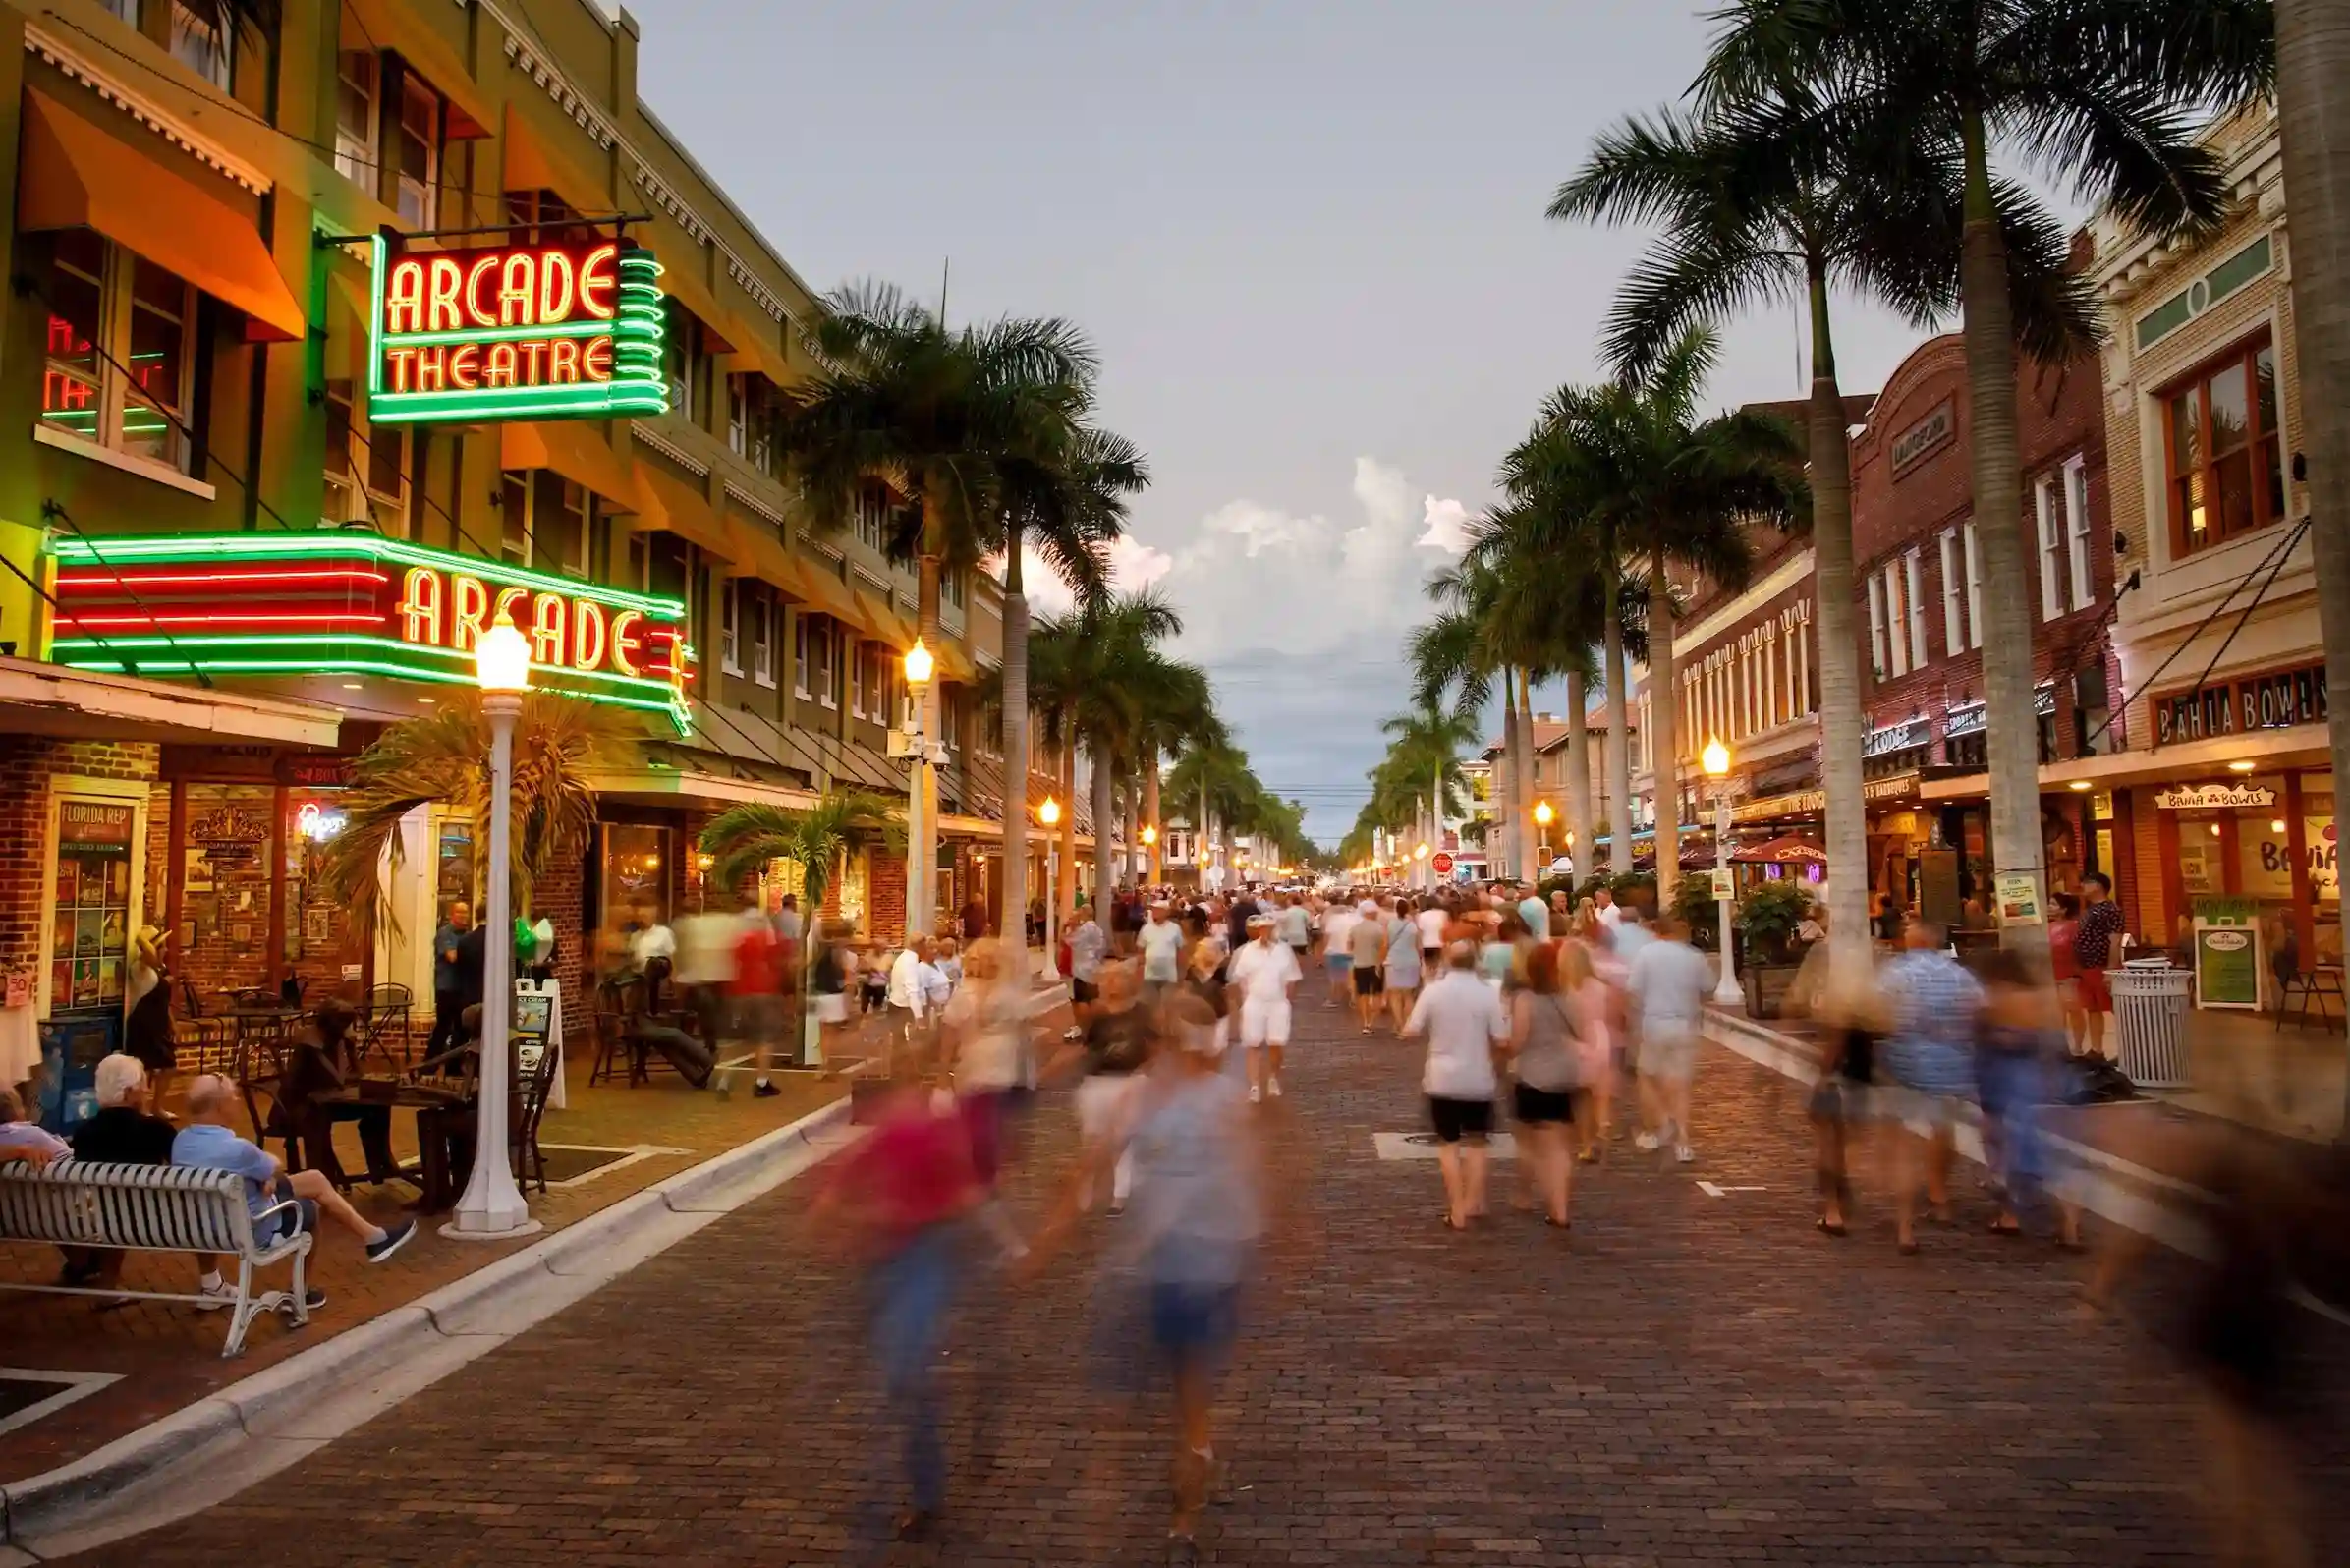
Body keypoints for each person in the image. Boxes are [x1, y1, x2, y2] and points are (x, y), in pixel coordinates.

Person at [1024, 991, 1261, 1567]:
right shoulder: (1163, 1096)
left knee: (1172, 1402)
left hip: (1197, 1270)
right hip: (1167, 1267)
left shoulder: (1210, 1099)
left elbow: (1249, 1178)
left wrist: (1046, 1243)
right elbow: (1092, 1167)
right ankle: (1176, 1494)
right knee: (1159, 1403)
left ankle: (1180, 1522)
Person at [808, 1064, 980, 1541]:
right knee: (895, 1373)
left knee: (906, 1376)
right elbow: (845, 1179)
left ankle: (924, 1493)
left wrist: (898, 1214)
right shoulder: (892, 1133)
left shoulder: (930, 1134)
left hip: (921, 1258)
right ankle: (915, 1483)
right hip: (886, 1259)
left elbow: (964, 1199)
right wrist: (837, 1213)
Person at [172, 1074, 415, 1277]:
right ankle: (303, 1293)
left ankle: (373, 1236)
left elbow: (264, 1171)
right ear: (220, 1106)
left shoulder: (180, 1142)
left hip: (204, 1229)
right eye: (233, 1096)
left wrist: (267, 1176)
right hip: (251, 1230)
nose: (238, 1101)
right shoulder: (239, 1150)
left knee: (315, 1179)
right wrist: (268, 1174)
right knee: (309, 1208)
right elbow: (273, 1165)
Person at [63, 1054, 224, 1296]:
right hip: (159, 1223)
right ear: (129, 1093)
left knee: (113, 1208)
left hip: (106, 1221)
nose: (147, 1091)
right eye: (143, 1086)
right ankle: (212, 1284)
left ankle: (108, 1286)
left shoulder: (83, 1134)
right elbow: (188, 1170)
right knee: (204, 1202)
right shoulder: (155, 1129)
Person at [1878, 917, 1982, 1254]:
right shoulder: (1958, 974)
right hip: (1951, 1063)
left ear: (1918, 940)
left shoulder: (1897, 972)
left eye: (1908, 932)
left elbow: (1877, 1011)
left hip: (1906, 1060)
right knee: (1943, 1128)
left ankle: (1905, 1224)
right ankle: (1939, 1193)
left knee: (1902, 1136)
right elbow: (1979, 1009)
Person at [1974, 949, 2083, 1248]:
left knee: (2005, 1151)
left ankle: (2010, 1214)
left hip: (2009, 1084)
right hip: (2049, 1083)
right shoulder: (2045, 999)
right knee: (2058, 1159)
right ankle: (2070, 1227)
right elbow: (2056, 1044)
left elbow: (1989, 1045)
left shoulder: (1996, 1000)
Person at [937, 937, 1032, 1262]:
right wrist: (942, 1078)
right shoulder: (971, 995)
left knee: (987, 1159)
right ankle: (999, 1232)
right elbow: (949, 1041)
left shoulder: (998, 995)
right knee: (983, 1162)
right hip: (983, 1085)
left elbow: (948, 1043)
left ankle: (986, 1223)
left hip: (993, 1084)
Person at [1403, 941, 1508, 1231]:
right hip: (1478, 1077)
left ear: (1448, 960)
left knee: (1448, 1145)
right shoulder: (1488, 993)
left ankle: (1457, 1209)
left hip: (1442, 1077)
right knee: (1477, 1143)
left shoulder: (1434, 991)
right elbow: (1501, 1038)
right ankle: (1473, 1201)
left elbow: (1411, 1029)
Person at [1047, 960, 1155, 1215]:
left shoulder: (1141, 1012)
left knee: (1121, 1139)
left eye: (1116, 978)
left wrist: (1146, 1074)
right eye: (1106, 979)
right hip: (1097, 1081)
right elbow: (1084, 1046)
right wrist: (1054, 1068)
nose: (1110, 983)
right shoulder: (1096, 1014)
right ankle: (1086, 1189)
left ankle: (1120, 1193)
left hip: (1129, 1081)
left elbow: (1154, 1046)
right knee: (1092, 1137)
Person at [1626, 913, 1711, 1164]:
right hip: (1685, 1024)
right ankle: (1683, 1142)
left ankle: (1658, 1126)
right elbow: (1708, 987)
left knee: (1646, 1076)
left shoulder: (1646, 954)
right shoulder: (1694, 956)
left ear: (1657, 931)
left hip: (1655, 1023)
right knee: (1680, 1084)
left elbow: (1633, 990)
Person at [1507, 941, 1581, 1228]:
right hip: (1564, 1076)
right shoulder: (1567, 997)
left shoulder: (1524, 1000)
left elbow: (1517, 1042)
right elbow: (1582, 1030)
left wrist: (1501, 1054)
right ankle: (1559, 1207)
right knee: (1559, 1146)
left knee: (1530, 1144)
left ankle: (1527, 1195)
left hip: (1533, 1077)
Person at [1229, 914, 1301, 1105]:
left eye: (1269, 928)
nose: (1266, 932)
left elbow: (1291, 979)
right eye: (1263, 928)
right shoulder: (1247, 951)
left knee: (1276, 1043)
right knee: (1253, 1044)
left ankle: (1273, 1078)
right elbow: (1239, 978)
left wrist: (1286, 1001)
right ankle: (1254, 1085)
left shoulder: (1284, 951)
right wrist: (1243, 1003)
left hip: (1278, 1003)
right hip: (1255, 1002)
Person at [734, 899, 786, 1098]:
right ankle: (762, 1081)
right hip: (765, 990)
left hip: (744, 991)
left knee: (754, 1038)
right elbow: (779, 960)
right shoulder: (768, 937)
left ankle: (727, 1081)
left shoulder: (740, 938)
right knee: (765, 1038)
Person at [123, 926, 176, 1108]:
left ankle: (157, 1106)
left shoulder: (159, 969)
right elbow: (148, 955)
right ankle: (141, 1108)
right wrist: (146, 941)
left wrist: (171, 1021)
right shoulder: (141, 968)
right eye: (162, 946)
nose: (166, 950)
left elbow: (163, 1000)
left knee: (168, 1067)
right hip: (143, 1026)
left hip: (158, 1025)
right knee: (143, 1069)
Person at [2073, 872, 2123, 1060]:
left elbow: (2115, 940)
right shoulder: (2089, 910)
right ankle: (2096, 1049)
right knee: (2092, 1008)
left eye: (2088, 883)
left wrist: (2110, 970)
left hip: (2101, 965)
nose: (2083, 886)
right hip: (2086, 966)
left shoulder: (2110, 910)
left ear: (2099, 886)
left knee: (2115, 1008)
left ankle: (2128, 1049)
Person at [425, 901, 477, 1066]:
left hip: (462, 989)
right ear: (452, 914)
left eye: (465, 912)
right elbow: (452, 957)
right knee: (443, 1027)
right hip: (446, 988)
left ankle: (453, 1066)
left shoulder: (468, 935)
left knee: (461, 1029)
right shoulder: (444, 934)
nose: (463, 916)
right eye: (459, 912)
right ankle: (429, 1065)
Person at [2048, 892, 2085, 1052]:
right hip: (2052, 974)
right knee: (2057, 1014)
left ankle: (2078, 1046)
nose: (2049, 907)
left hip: (2069, 975)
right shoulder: (2047, 927)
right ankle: (2061, 1046)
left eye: (2053, 904)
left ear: (2064, 909)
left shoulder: (2074, 927)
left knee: (2074, 1011)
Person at [1383, 898, 1424, 1034]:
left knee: (1395, 995)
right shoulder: (1413, 926)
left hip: (1393, 961)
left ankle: (1399, 1024)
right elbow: (1419, 946)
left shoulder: (1390, 924)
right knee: (1408, 996)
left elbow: (1385, 944)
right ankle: (1407, 1025)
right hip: (1411, 962)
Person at [1347, 901, 1387, 1035]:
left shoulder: (1355, 928)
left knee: (1362, 993)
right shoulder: (1379, 929)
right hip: (1375, 964)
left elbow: (1349, 947)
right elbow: (1384, 947)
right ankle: (1372, 1021)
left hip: (1359, 964)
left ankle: (1365, 1021)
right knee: (1376, 993)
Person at [1137, 901, 1184, 1003]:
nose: (1155, 912)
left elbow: (1180, 951)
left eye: (1158, 909)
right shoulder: (1146, 929)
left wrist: (1181, 973)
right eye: (1153, 909)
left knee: (1168, 1004)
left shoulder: (1175, 929)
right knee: (1150, 1005)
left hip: (1169, 976)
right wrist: (1139, 971)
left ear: (1166, 912)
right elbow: (1140, 951)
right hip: (1149, 975)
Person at [1319, 897, 1359, 1009]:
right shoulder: (1354, 919)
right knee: (1351, 977)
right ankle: (1353, 998)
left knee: (1336, 977)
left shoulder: (1333, 920)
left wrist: (1324, 950)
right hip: (1351, 951)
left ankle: (1334, 999)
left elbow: (1327, 937)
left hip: (1335, 950)